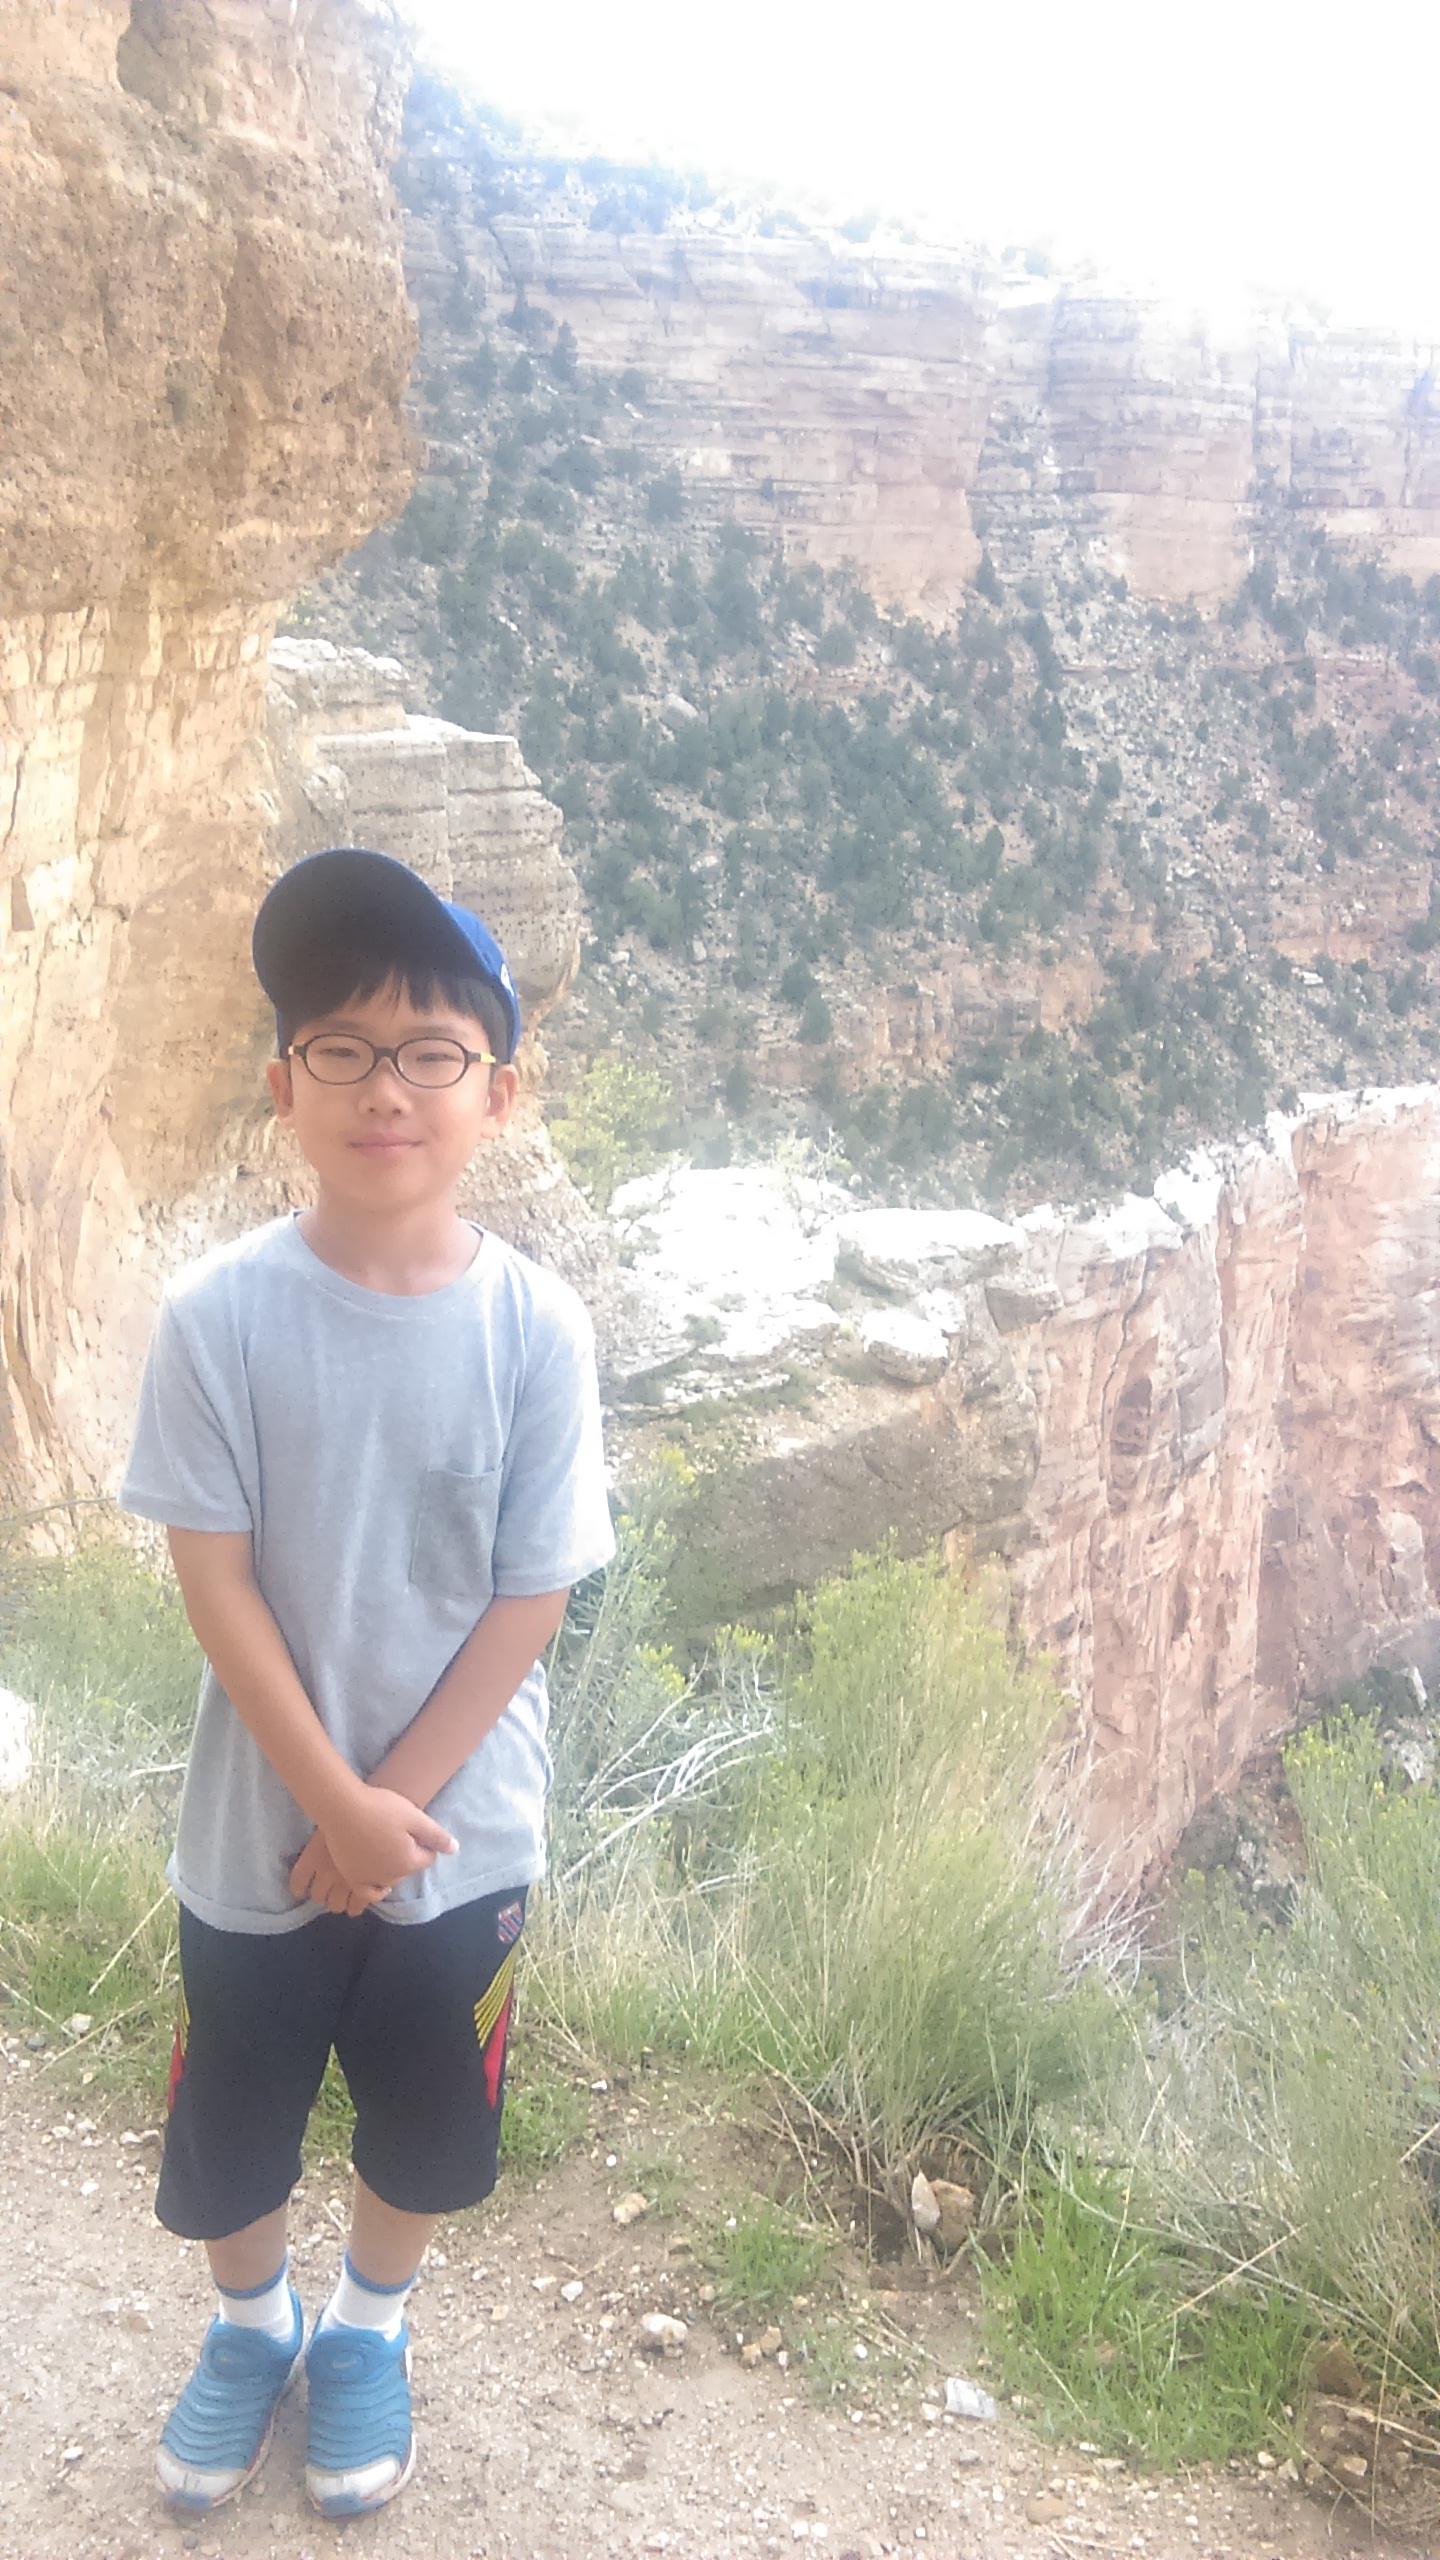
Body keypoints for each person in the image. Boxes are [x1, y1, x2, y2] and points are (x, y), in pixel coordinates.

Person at [120, 846, 614, 2520]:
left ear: (498, 1093)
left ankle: (365, 2331)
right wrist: (332, 1803)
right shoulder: (217, 1318)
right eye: (339, 1045)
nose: (382, 1086)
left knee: (423, 2123)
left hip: (458, 1844)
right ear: (284, 1084)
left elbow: (534, 1594)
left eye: (428, 1051)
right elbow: (216, 1580)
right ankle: (251, 2325)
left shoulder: (536, 1331)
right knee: (232, 2127)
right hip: (258, 1832)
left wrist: (386, 1810)